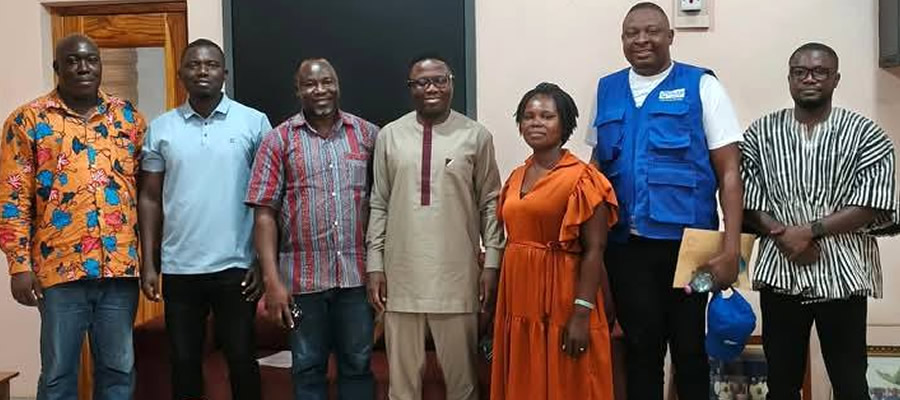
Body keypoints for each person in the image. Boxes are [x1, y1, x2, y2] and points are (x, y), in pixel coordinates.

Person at [588, 2, 744, 398]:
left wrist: (731, 250)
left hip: (689, 249)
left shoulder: (701, 86)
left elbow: (729, 172)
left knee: (689, 350)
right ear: (622, 40)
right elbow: (595, 171)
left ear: (670, 36)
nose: (642, 40)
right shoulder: (607, 90)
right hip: (626, 248)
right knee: (641, 350)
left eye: (652, 31)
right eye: (632, 33)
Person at [742, 42, 898, 400]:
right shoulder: (760, 133)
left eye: (820, 72)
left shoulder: (865, 133)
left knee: (850, 382)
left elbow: (873, 202)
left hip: (843, 274)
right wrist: (783, 235)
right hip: (781, 272)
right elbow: (747, 198)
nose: (809, 79)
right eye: (800, 72)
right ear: (789, 79)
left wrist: (809, 232)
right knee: (781, 383)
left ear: (835, 79)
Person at [0, 34, 146, 399]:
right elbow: (13, 198)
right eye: (73, 60)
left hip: (119, 268)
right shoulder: (27, 120)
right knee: (58, 373)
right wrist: (18, 265)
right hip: (58, 269)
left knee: (119, 370)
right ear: (57, 68)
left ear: (99, 65)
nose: (83, 67)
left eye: (91, 60)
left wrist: (151, 260)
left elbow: (147, 192)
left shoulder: (127, 117)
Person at [366, 54, 503, 400]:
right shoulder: (390, 136)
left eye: (440, 80)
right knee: (402, 389)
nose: (432, 88)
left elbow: (491, 203)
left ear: (451, 84)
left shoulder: (476, 136)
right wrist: (374, 264)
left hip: (457, 278)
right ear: (410, 88)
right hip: (400, 278)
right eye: (422, 82)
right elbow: (379, 203)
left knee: (463, 386)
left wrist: (492, 263)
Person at [139, 38, 270, 400]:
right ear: (180, 74)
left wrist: (262, 260)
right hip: (180, 267)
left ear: (224, 73)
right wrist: (149, 262)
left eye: (211, 64)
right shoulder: (161, 128)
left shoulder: (254, 122)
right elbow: (149, 197)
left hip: (236, 265)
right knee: (183, 363)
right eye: (194, 64)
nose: (202, 70)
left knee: (242, 359)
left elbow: (269, 198)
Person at [246, 58, 379, 400]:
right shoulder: (278, 140)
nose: (320, 89)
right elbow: (264, 214)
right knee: (307, 369)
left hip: (357, 278)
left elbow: (384, 205)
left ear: (338, 85)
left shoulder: (367, 135)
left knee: (358, 365)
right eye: (310, 84)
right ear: (298, 90)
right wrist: (272, 281)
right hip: (302, 281)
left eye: (327, 82)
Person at [490, 82, 617, 399]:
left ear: (565, 124)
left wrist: (581, 313)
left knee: (568, 380)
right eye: (528, 116)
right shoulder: (516, 176)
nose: (536, 122)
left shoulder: (583, 178)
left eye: (547, 116)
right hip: (519, 297)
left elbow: (595, 250)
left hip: (564, 295)